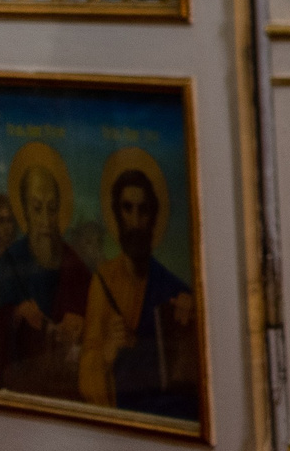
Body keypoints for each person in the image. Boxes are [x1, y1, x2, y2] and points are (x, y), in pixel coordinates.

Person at [78, 155, 199, 420]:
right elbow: (86, 376)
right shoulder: (103, 282)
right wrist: (107, 352)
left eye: (143, 210)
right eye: (127, 208)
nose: (135, 220)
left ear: (153, 217)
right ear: (117, 215)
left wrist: (191, 325)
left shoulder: (172, 289)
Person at [0, 147, 91, 398]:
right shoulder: (10, 263)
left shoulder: (73, 263)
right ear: (24, 210)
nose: (45, 218)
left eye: (52, 208)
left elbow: (94, 319)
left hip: (66, 381)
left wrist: (82, 326)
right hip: (24, 381)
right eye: (37, 208)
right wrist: (17, 313)